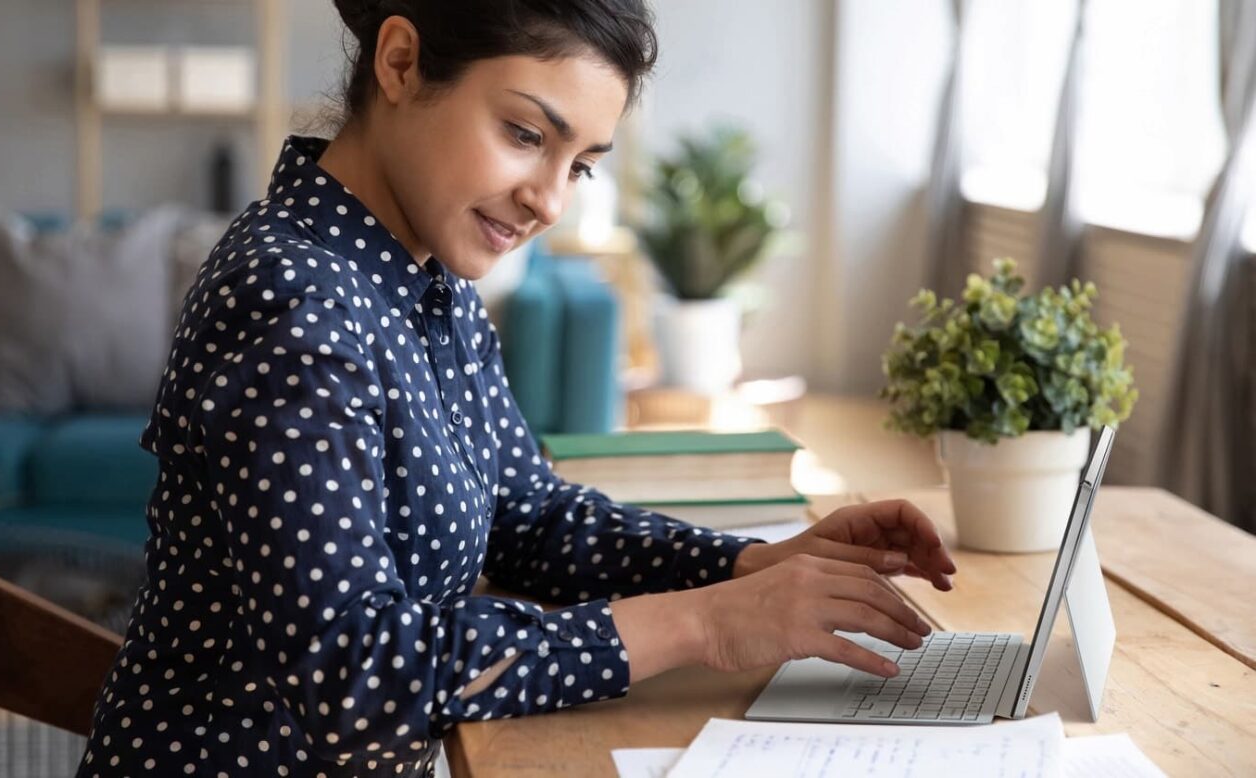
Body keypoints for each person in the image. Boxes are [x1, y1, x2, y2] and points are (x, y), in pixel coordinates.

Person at [77, 2, 956, 776]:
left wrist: (747, 567)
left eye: (579, 164)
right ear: (400, 63)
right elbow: (356, 680)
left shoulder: (430, 284)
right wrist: (707, 626)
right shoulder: (292, 300)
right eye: (527, 135)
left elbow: (529, 515)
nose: (548, 202)